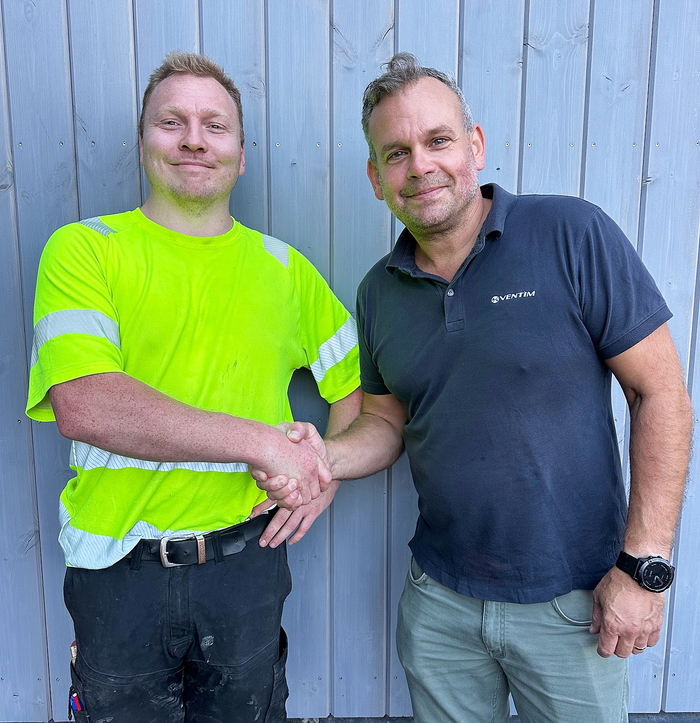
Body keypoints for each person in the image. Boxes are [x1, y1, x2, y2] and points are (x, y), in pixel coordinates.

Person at [252, 53, 692, 722]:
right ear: (376, 178)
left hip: (573, 605)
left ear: (474, 146)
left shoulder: (571, 234)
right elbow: (387, 421)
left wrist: (644, 569)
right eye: (396, 153)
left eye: (438, 140)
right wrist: (324, 456)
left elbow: (660, 396)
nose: (420, 166)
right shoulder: (379, 292)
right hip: (441, 606)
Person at [26, 51, 360, 723]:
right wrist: (267, 444)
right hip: (116, 569)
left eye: (215, 125)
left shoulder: (285, 270)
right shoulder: (86, 250)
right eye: (171, 121)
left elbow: (357, 389)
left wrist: (324, 471)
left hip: (248, 562)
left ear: (241, 155)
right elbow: (85, 403)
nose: (194, 140)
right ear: (143, 143)